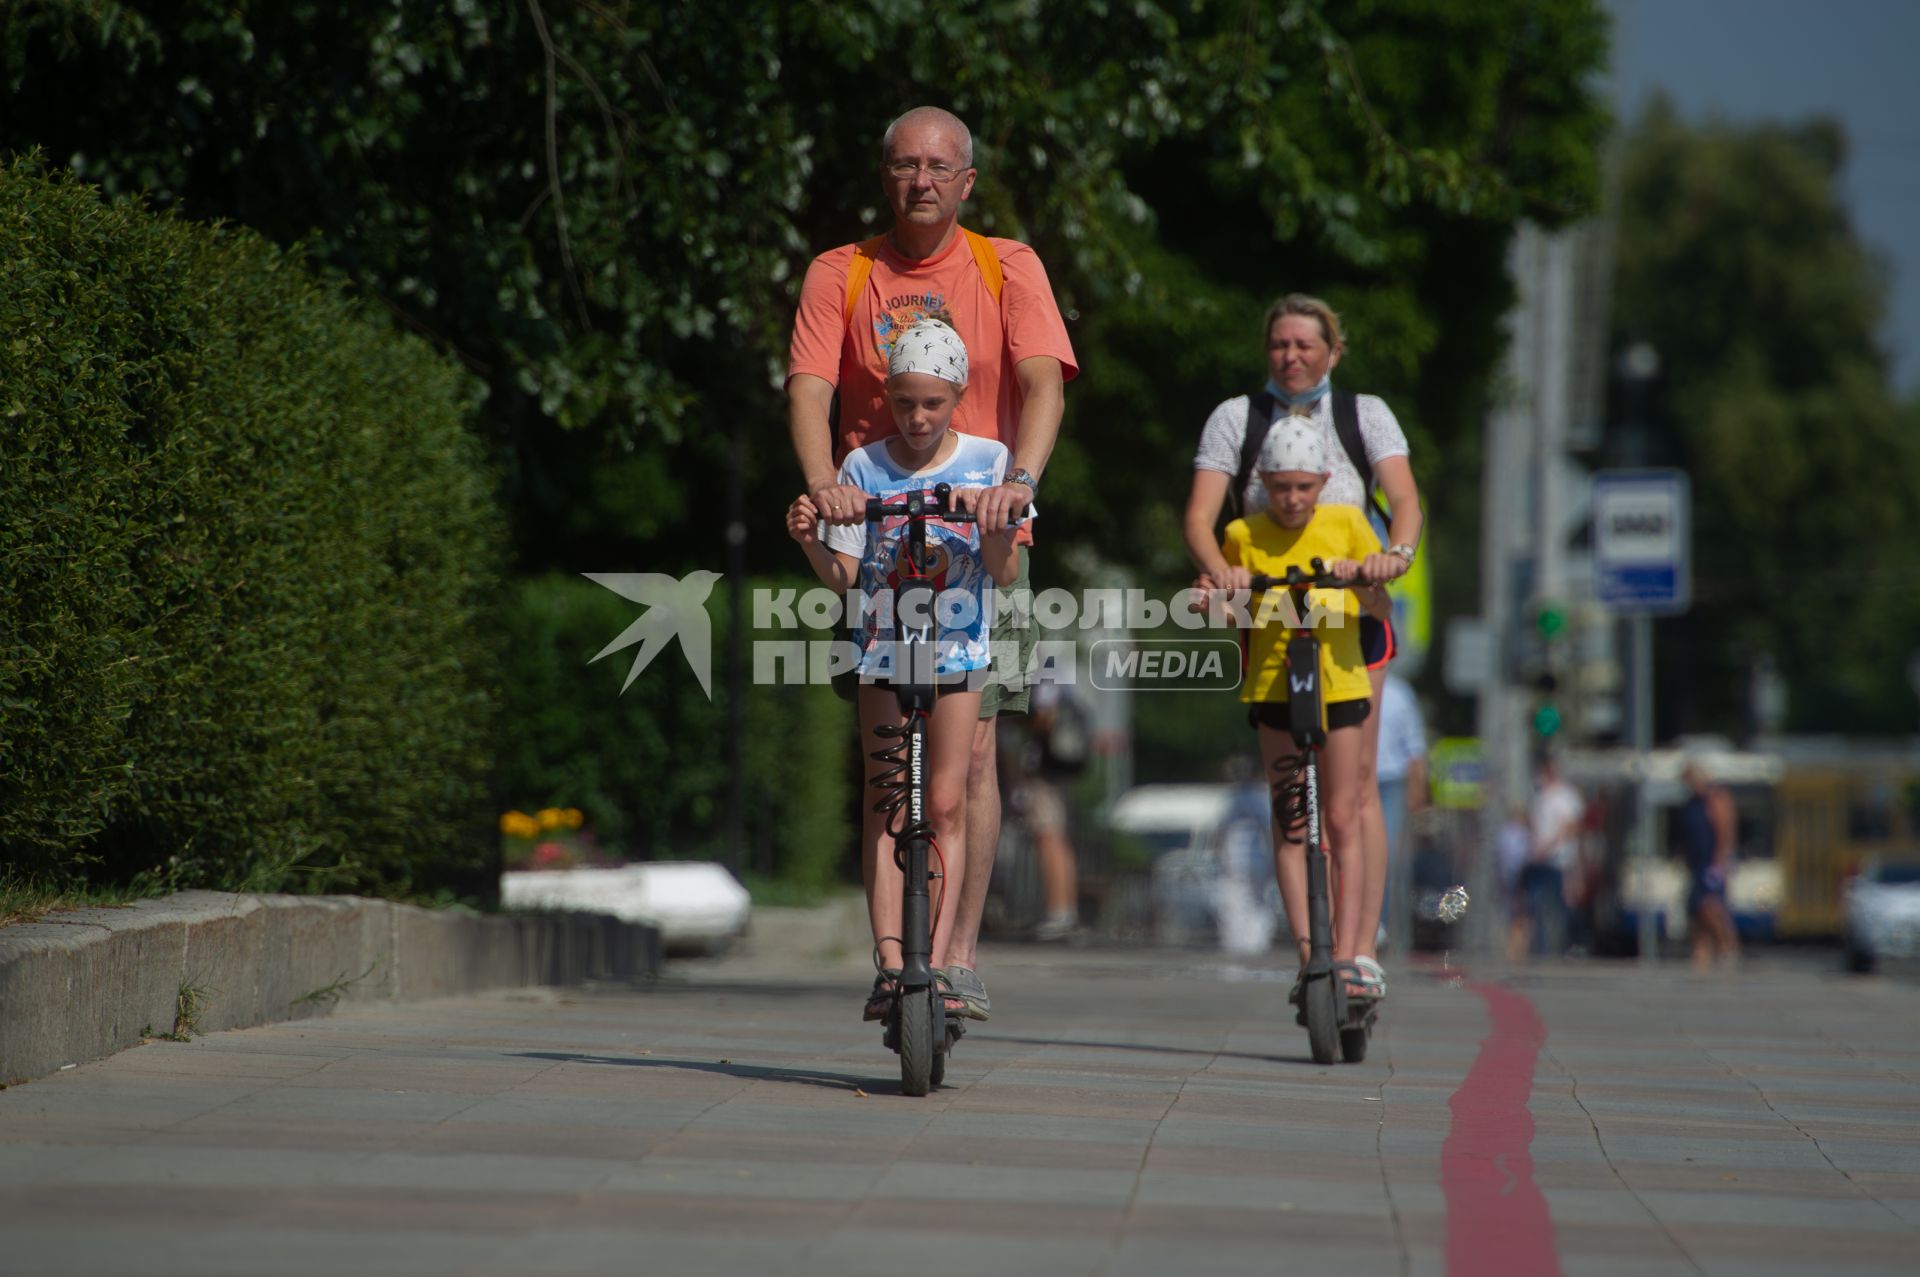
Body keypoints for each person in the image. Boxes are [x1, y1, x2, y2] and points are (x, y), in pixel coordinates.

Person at [786, 105, 1077, 1021]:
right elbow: (809, 390)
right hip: (872, 534)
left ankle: (952, 953)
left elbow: (1041, 385)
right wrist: (823, 490)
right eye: (904, 164)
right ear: (887, 178)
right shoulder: (845, 271)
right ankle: (890, 955)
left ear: (965, 183)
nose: (921, 180)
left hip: (983, 535)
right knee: (887, 763)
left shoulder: (1006, 265)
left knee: (977, 754)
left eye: (937, 166)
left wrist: (1017, 485)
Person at [1182, 295, 1423, 991]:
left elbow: (1402, 497)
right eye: (1279, 344)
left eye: (1305, 344)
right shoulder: (1237, 418)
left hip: (1352, 612)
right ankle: (1312, 955)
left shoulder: (1363, 415)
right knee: (1290, 798)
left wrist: (1395, 553)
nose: (1291, 356)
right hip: (1274, 615)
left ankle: (1359, 949)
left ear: (1333, 351)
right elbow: (1202, 513)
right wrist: (1221, 569)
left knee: (1355, 791)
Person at [786, 317, 1020, 1020]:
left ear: (958, 395)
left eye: (932, 403)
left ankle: (939, 962)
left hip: (957, 649)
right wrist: (810, 538)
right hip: (884, 647)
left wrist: (995, 521)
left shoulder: (988, 457)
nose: (917, 417)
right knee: (888, 799)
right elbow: (847, 576)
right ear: (886, 394)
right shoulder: (862, 466)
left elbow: (1004, 573)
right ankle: (890, 962)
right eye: (904, 401)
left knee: (944, 801)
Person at [1192, 418, 1393, 1002]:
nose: (1293, 499)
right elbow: (1232, 614)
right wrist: (1210, 601)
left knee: (1343, 815)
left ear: (1325, 482)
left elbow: (1379, 610)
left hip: (1341, 685)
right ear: (1265, 483)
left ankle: (1353, 951)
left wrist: (1367, 577)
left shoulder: (1348, 524)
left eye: (1305, 487)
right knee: (1292, 822)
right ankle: (1310, 956)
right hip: (1276, 687)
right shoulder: (1244, 534)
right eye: (1282, 487)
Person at [1374, 670, 1429, 948]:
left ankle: (1377, 923)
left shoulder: (1399, 693)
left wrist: (1417, 787)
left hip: (1390, 782)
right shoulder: (1350, 682)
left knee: (1385, 854)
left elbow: (1414, 745)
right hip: (1355, 776)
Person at [1680, 761, 1740, 970]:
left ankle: (1728, 946)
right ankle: (1701, 954)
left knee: (1711, 907)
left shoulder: (1715, 798)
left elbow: (1725, 831)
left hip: (1711, 862)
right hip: (1696, 863)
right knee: (1697, 910)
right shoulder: (1690, 803)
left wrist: (1719, 862)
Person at [1524, 755, 1584, 958]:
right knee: (1536, 907)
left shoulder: (1565, 796)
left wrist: (1548, 846)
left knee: (1559, 907)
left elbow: (1569, 826)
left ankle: (1564, 948)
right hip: (1537, 860)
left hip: (1558, 861)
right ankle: (1540, 950)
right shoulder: (1539, 796)